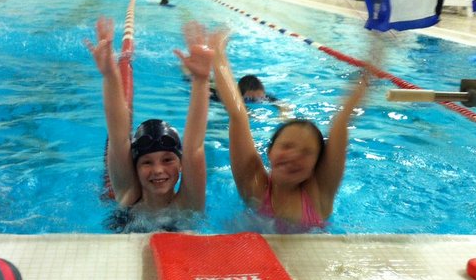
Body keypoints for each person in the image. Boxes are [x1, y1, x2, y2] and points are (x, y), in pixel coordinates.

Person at [210, 30, 369, 231]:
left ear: (316, 165)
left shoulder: (319, 196)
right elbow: (238, 114)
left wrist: (371, 65)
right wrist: (218, 53)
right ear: (270, 151)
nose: (294, 156)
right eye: (286, 146)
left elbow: (341, 123)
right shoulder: (255, 186)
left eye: (306, 152)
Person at [85, 17, 213, 220]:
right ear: (134, 168)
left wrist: (201, 80)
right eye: (146, 162)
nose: (158, 170)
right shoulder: (129, 197)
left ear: (181, 164)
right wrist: (110, 73)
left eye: (167, 159)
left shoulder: (189, 203)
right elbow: (118, 139)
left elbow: (194, 147)